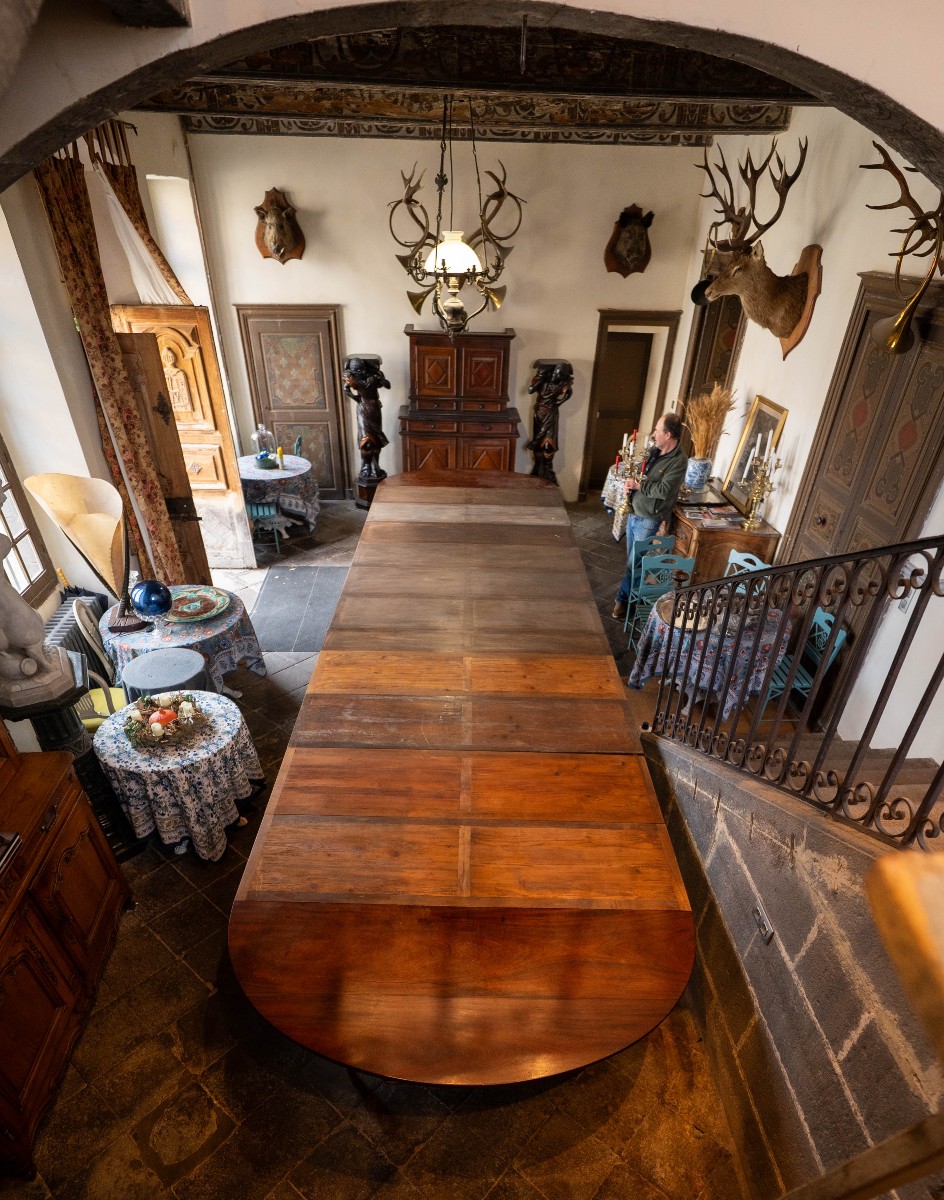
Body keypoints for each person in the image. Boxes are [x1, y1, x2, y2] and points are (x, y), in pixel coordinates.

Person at [612, 410, 688, 619]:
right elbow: (642, 474)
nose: (653, 434)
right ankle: (630, 601)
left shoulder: (679, 461)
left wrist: (639, 484)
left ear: (669, 435)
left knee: (634, 563)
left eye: (657, 430)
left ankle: (623, 602)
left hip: (648, 518)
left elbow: (664, 490)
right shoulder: (655, 451)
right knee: (633, 561)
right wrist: (631, 485)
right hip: (635, 511)